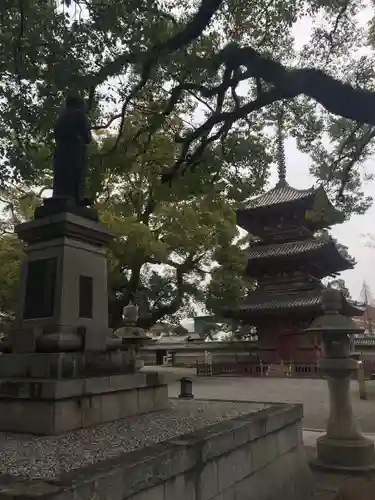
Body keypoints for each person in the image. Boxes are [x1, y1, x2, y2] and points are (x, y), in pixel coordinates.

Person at [52, 94, 91, 204]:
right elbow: (87, 137)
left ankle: (60, 197)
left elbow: (57, 134)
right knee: (76, 174)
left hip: (61, 151)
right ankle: (77, 198)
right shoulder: (80, 115)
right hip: (76, 150)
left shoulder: (61, 117)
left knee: (61, 176)